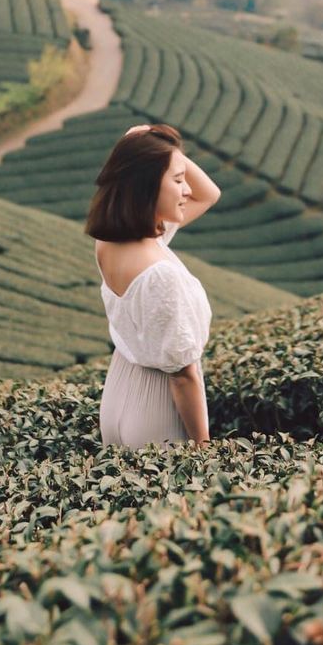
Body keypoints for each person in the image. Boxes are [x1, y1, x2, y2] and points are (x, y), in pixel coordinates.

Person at [86, 122, 221, 448]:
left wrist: (155, 148)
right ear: (146, 186)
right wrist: (204, 448)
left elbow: (208, 194)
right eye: (177, 181)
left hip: (118, 392)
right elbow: (182, 376)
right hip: (156, 408)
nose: (187, 188)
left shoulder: (110, 240)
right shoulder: (160, 273)